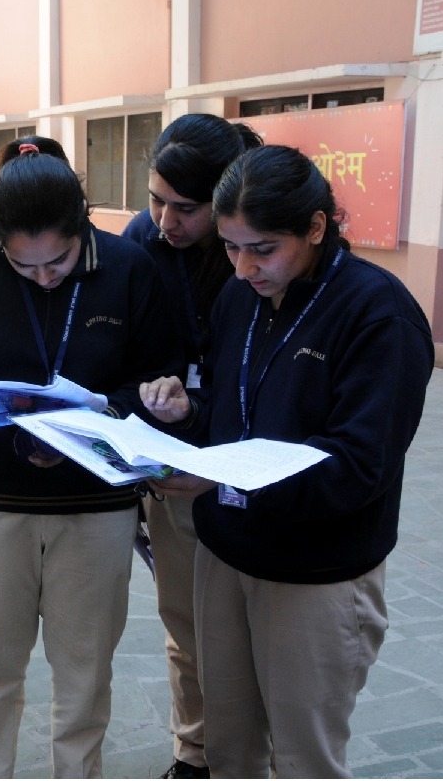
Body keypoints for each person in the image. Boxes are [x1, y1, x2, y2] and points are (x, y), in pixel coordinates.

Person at [139, 145, 434, 778]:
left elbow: (359, 464)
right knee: (230, 749)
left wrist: (225, 475)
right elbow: (229, 404)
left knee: (305, 759)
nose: (244, 268)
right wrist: (185, 415)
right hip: (224, 557)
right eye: (230, 248)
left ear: (317, 227)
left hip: (315, 576)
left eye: (263, 248)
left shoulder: (377, 313)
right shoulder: (240, 298)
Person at [0, 136, 184, 778]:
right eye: (23, 265)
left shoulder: (128, 268)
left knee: (84, 671)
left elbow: (158, 374)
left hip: (95, 503)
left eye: (57, 263)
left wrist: (109, 409)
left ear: (81, 226)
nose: (42, 278)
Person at [121, 113, 261, 780]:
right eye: (155, 199)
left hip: (253, 466)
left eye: (186, 208)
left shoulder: (256, 252)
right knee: (184, 624)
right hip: (173, 467)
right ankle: (195, 753)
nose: (165, 220)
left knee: (247, 632)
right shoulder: (142, 243)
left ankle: (246, 756)